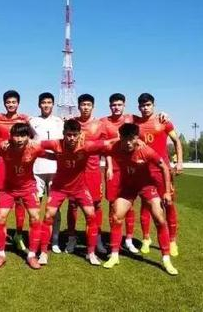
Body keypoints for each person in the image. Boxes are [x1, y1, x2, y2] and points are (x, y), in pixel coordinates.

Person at [101, 124, 178, 275]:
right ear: (120, 137)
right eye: (125, 139)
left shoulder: (145, 150)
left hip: (146, 186)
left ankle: (166, 259)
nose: (128, 142)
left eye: (131, 139)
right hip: (128, 187)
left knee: (159, 218)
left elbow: (163, 167)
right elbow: (98, 146)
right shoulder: (115, 147)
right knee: (116, 216)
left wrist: (167, 192)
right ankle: (114, 256)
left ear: (137, 138)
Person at [37, 119, 110, 266]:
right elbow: (35, 144)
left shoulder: (87, 145)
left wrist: (137, 141)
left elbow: (109, 143)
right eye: (68, 135)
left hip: (80, 188)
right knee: (48, 215)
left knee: (91, 215)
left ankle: (91, 253)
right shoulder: (56, 144)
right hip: (59, 188)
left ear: (79, 135)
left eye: (74, 135)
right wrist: (47, 155)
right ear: (63, 133)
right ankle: (44, 252)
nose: (71, 138)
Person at [134, 93, 183, 257]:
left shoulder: (163, 121)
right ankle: (146, 238)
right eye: (142, 105)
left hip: (163, 171)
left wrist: (179, 162)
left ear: (153, 105)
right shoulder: (135, 123)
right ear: (138, 107)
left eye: (148, 105)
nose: (145, 108)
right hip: (143, 171)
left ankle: (172, 241)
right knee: (145, 204)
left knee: (168, 203)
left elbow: (177, 141)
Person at [0, 123, 47, 269]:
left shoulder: (35, 148)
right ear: (11, 136)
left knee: (35, 217)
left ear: (28, 137)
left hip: (28, 188)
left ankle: (32, 255)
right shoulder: (4, 147)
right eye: (16, 135)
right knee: (0, 217)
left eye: (23, 135)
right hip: (8, 188)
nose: (19, 139)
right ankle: (1, 254)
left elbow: (50, 154)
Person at [0, 90, 30, 252]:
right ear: (4, 103)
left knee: (20, 201)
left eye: (13, 102)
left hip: (20, 166)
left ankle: (18, 235)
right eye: (8, 102)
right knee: (0, 201)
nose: (11, 105)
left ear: (18, 103)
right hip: (3, 165)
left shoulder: (25, 119)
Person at [65, 94, 107, 255]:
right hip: (74, 172)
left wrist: (109, 166)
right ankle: (71, 237)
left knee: (96, 205)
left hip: (93, 171)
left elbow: (106, 148)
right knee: (73, 204)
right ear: (78, 106)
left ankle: (97, 238)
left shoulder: (100, 125)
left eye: (88, 104)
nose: (85, 107)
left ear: (93, 107)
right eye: (83, 104)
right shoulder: (72, 123)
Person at [99, 93, 138, 253]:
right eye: (114, 105)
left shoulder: (131, 119)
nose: (116, 107)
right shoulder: (103, 122)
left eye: (119, 104)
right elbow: (105, 148)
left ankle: (128, 239)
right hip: (113, 169)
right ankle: (113, 238)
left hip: (129, 168)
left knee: (130, 204)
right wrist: (108, 167)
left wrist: (163, 115)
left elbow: (148, 118)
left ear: (124, 105)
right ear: (110, 106)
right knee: (112, 204)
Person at [29, 92, 64, 253]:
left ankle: (54, 240)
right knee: (35, 207)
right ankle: (35, 239)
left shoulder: (60, 122)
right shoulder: (32, 121)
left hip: (56, 169)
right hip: (37, 169)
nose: (46, 105)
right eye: (43, 102)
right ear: (39, 104)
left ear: (53, 104)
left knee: (54, 208)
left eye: (49, 102)